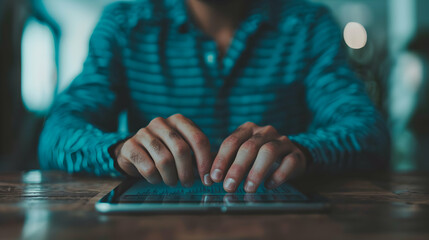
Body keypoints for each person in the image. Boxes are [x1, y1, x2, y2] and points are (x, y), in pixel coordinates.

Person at [38, 0, 390, 193]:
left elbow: (369, 131)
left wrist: (303, 150)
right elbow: (57, 132)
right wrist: (119, 150)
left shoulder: (309, 25)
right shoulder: (123, 25)